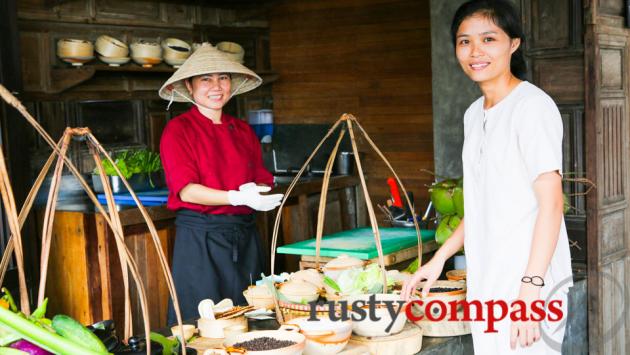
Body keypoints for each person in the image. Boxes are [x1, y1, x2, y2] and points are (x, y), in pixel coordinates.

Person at [401, 1, 573, 353]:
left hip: (528, 282)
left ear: (514, 44)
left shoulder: (532, 108)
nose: (475, 51)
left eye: (489, 39)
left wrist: (530, 289)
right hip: (489, 278)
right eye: (464, 41)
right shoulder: (472, 115)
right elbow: (480, 205)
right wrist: (437, 260)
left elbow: (552, 205)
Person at [158, 44, 283, 324]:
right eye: (206, 79)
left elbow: (260, 179)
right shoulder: (179, 130)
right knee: (204, 324)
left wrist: (259, 193)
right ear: (189, 87)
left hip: (245, 237)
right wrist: (237, 198)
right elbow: (187, 189)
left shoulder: (242, 130)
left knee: (254, 318)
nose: (216, 86)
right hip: (201, 240)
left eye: (223, 78)